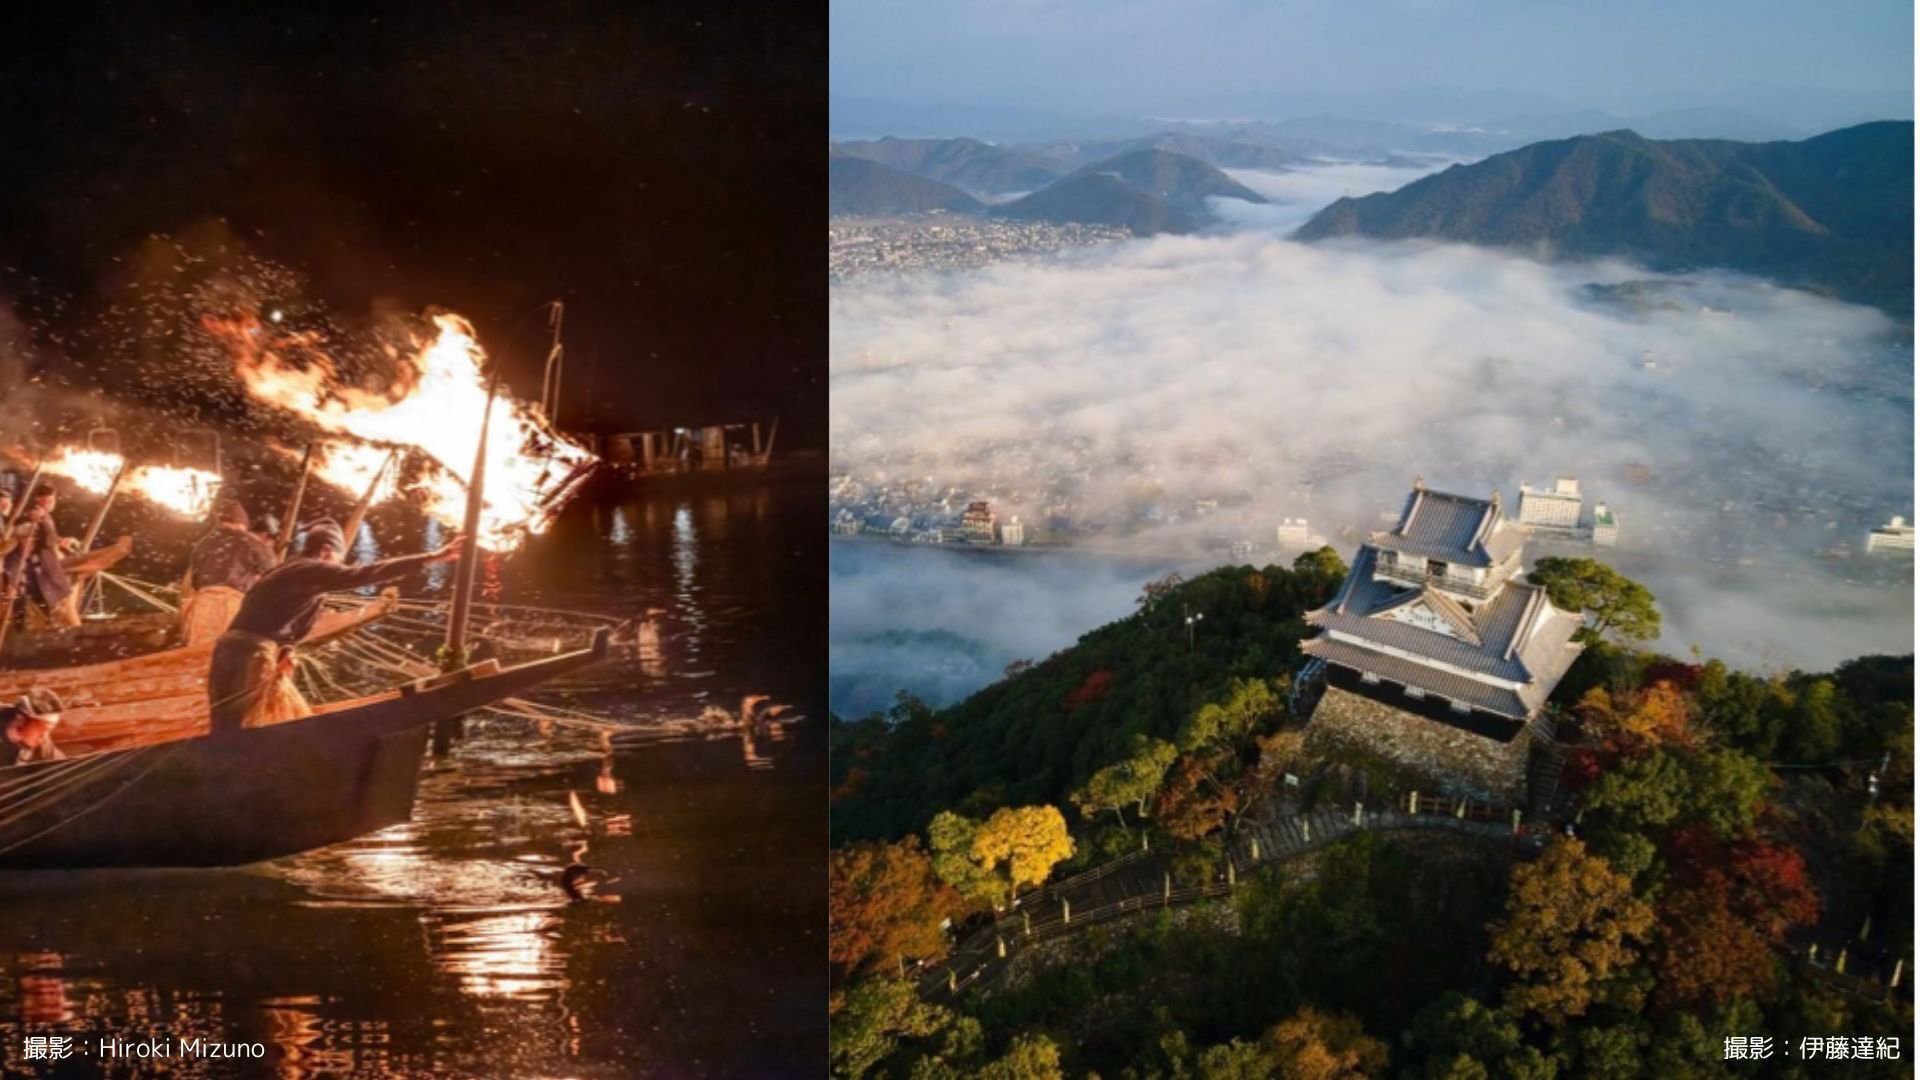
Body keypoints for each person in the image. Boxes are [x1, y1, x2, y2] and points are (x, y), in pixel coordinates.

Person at [207, 519, 461, 733]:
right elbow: (365, 574)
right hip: (250, 652)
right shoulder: (311, 570)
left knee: (227, 724)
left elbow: (275, 616)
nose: (339, 567)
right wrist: (432, 557)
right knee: (236, 728)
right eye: (339, 560)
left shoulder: (289, 570)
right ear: (327, 550)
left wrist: (285, 651)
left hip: (232, 646)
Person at [179, 498, 279, 646]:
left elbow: (194, 581)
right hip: (229, 606)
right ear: (241, 523)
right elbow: (272, 569)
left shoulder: (203, 544)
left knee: (198, 655)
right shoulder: (248, 541)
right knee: (226, 656)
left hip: (201, 608)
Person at [2, 486, 80, 629]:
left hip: (48, 571)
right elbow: (38, 540)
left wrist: (60, 541)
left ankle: (64, 631)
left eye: (52, 499)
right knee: (57, 605)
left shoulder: (44, 516)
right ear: (38, 499)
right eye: (47, 499)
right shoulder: (33, 516)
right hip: (41, 573)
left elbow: (48, 538)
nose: (50, 502)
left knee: (59, 604)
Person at [0, 688, 66, 767]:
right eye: (42, 729)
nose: (43, 737)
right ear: (21, 719)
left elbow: (62, 769)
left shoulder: (42, 748)